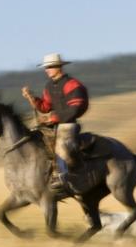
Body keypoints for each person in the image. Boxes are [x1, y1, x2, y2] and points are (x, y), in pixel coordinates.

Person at [21, 53, 89, 192]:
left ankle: (61, 177)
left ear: (59, 67)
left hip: (68, 125)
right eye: (46, 67)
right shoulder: (49, 86)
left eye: (50, 67)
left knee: (61, 145)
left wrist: (53, 118)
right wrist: (32, 98)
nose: (47, 70)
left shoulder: (72, 84)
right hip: (54, 125)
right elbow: (45, 107)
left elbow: (76, 107)